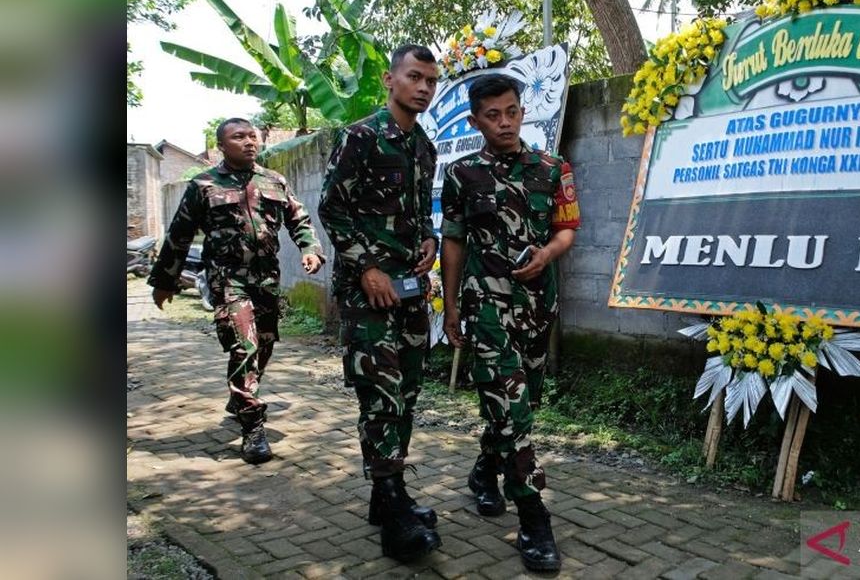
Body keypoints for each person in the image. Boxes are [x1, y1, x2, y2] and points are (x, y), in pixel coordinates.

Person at [440, 74, 580, 572]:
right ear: (475, 121)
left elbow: (566, 229)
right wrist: (450, 307)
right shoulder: (461, 175)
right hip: (487, 307)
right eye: (493, 115)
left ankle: (484, 471)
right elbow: (453, 241)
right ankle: (533, 518)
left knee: (518, 407)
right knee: (511, 408)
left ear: (523, 111)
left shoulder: (552, 168)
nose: (505, 122)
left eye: (512, 111)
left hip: (538, 306)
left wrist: (547, 254)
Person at [317, 44, 443, 562]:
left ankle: (386, 494)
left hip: (410, 290)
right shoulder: (361, 137)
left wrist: (430, 238)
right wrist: (367, 267)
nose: (424, 87)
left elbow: (419, 210)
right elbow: (331, 208)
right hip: (368, 293)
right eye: (414, 77)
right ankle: (395, 516)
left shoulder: (425, 146)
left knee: (406, 391)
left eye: (431, 80)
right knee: (380, 394)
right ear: (390, 80)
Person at [148, 118, 325, 465]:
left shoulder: (274, 181)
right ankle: (253, 427)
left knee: (266, 342)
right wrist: (165, 282)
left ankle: (240, 394)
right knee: (244, 346)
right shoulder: (203, 185)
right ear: (221, 146)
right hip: (227, 278)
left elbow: (299, 220)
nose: (249, 142)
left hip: (267, 279)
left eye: (252, 136)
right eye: (238, 137)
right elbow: (179, 234)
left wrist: (310, 249)